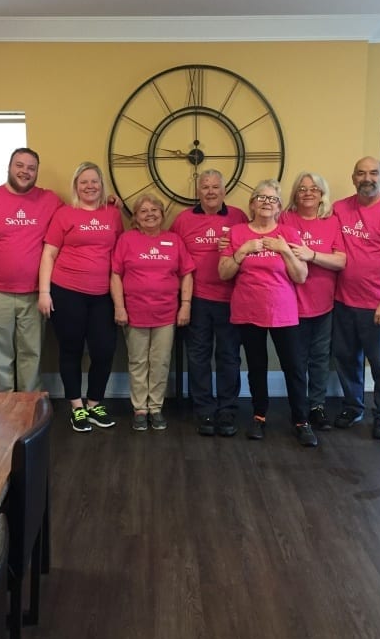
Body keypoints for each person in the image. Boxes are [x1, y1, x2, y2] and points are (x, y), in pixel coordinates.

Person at [219, 179, 317, 447]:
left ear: (279, 206)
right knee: (257, 367)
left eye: (272, 199)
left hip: (283, 311)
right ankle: (259, 416)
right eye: (260, 197)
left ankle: (301, 420)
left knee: (294, 367)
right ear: (252, 204)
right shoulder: (238, 233)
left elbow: (301, 276)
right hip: (248, 308)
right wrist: (242, 251)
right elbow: (223, 272)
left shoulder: (289, 234)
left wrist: (284, 250)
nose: (266, 202)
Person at [0, 148, 62, 392]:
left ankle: (29, 409)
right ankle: (1, 409)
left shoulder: (50, 201)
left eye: (31, 168)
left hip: (34, 294)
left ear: (37, 172)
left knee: (32, 353)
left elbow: (76, 217)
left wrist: (107, 203)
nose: (25, 172)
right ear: (9, 167)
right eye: (19, 165)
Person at [38, 161, 124, 432]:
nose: (89, 186)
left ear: (102, 185)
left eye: (94, 181)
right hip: (67, 292)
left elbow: (118, 255)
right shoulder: (64, 214)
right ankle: (76, 406)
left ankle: (94, 402)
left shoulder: (112, 213)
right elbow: (49, 254)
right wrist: (44, 292)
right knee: (71, 350)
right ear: (76, 185)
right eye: (84, 181)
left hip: (102, 295)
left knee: (104, 350)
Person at [332, 156, 380, 440]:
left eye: (373, 173)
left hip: (378, 306)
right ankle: (353, 407)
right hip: (343, 301)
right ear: (353, 178)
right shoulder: (340, 208)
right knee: (346, 358)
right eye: (361, 173)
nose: (368, 178)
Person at [171, 169, 248, 436]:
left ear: (224, 190)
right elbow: (174, 257)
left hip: (231, 298)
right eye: (205, 187)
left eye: (216, 186)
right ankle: (203, 409)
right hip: (197, 299)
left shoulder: (238, 217)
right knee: (199, 356)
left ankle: (227, 410)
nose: (211, 191)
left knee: (228, 357)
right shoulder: (182, 220)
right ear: (198, 191)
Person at [111, 194, 195, 431]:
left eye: (154, 210)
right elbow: (116, 274)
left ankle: (156, 407)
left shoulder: (174, 240)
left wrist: (185, 304)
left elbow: (187, 273)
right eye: (143, 211)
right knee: (138, 361)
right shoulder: (126, 240)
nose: (149, 214)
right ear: (135, 217)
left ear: (162, 213)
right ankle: (140, 408)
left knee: (160, 362)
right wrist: (119, 306)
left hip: (166, 313)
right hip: (134, 312)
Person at [280, 171, 346, 430]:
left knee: (319, 359)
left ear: (321, 195)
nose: (308, 193)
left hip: (324, 304)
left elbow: (341, 261)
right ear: (295, 194)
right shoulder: (284, 219)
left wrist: (312, 254)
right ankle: (299, 410)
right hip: (290, 305)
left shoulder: (331, 222)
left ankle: (317, 406)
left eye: (314, 189)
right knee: (295, 361)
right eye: (302, 189)